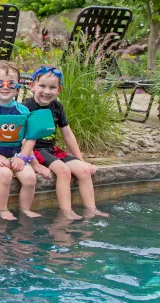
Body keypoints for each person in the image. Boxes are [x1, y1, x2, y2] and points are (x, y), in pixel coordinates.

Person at [18, 65, 108, 220]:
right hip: (35, 150)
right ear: (32, 86)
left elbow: (68, 134)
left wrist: (81, 160)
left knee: (84, 171)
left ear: (58, 90)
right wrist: (34, 164)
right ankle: (66, 212)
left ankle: (91, 209)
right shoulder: (25, 107)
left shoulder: (57, 106)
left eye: (52, 87)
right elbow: (22, 139)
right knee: (63, 170)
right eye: (42, 86)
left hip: (51, 149)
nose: (47, 91)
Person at [0, 61, 48, 220]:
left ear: (17, 88)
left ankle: (24, 209)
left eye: (11, 83)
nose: (5, 86)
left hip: (16, 157)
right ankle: (2, 210)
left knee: (30, 178)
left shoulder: (23, 111)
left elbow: (30, 137)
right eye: (0, 82)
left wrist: (22, 157)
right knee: (5, 175)